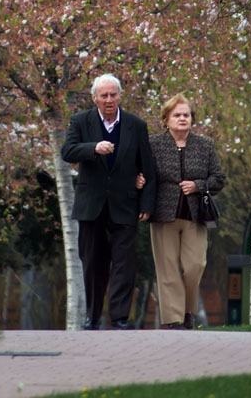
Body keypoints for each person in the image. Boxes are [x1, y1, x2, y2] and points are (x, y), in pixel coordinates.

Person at [60, 73, 156, 330]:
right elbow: (67, 151)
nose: (109, 99)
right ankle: (93, 316)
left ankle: (120, 317)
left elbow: (147, 168)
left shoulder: (136, 125)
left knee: (124, 264)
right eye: (104, 95)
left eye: (113, 94)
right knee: (92, 262)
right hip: (91, 206)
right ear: (95, 98)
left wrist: (146, 203)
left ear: (120, 96)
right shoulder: (81, 121)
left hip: (126, 204)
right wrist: (93, 148)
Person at [142, 94, 225, 329]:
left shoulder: (205, 145)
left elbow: (219, 178)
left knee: (195, 265)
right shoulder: (153, 144)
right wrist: (139, 184)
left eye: (186, 115)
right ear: (166, 119)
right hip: (162, 214)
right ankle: (173, 320)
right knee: (167, 269)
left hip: (195, 216)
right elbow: (144, 175)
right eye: (176, 115)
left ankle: (187, 310)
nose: (182, 119)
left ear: (192, 118)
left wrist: (198, 185)